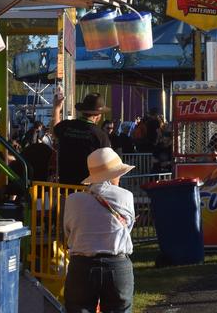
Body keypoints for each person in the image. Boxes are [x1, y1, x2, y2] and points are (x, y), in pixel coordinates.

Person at [62, 148, 135, 313]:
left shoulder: (73, 200)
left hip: (81, 265)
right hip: (117, 264)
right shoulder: (125, 196)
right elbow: (127, 228)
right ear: (112, 174)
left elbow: (68, 231)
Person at [54, 92, 112, 185]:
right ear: (98, 115)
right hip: (88, 188)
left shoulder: (66, 126)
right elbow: (108, 163)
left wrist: (57, 109)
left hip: (66, 187)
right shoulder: (100, 135)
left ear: (82, 111)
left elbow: (55, 130)